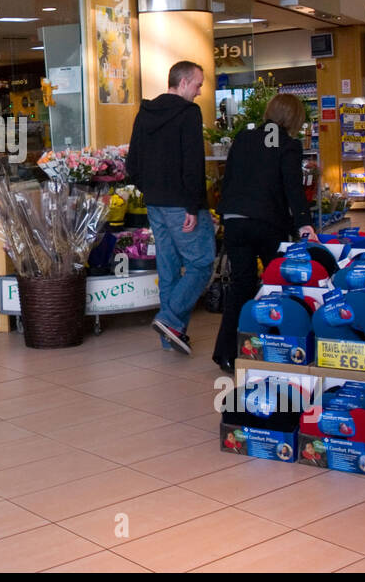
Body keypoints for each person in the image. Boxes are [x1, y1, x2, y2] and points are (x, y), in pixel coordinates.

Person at [212, 94, 317, 374]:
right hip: (268, 223)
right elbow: (292, 188)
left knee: (240, 285)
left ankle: (226, 354)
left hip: (235, 220)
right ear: (294, 118)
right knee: (277, 282)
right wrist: (305, 223)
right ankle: (275, 347)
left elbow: (229, 177)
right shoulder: (289, 145)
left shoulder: (243, 138)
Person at [126, 60, 213, 355]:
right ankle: (168, 319)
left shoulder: (145, 112)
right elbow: (193, 162)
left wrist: (149, 189)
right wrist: (192, 205)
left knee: (169, 267)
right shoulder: (189, 113)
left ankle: (170, 336)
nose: (199, 92)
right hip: (182, 203)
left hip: (155, 203)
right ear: (185, 82)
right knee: (201, 263)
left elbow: (132, 162)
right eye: (198, 85)